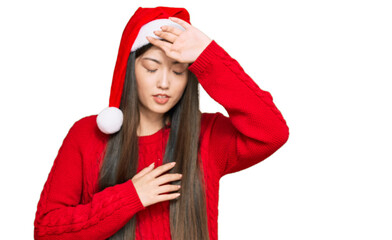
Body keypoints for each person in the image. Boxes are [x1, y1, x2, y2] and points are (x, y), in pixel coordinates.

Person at [33, 6, 289, 240]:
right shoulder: (87, 134)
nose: (164, 83)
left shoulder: (207, 136)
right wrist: (131, 197)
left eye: (178, 71)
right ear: (129, 69)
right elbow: (46, 231)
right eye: (151, 68)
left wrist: (209, 56)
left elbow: (272, 132)